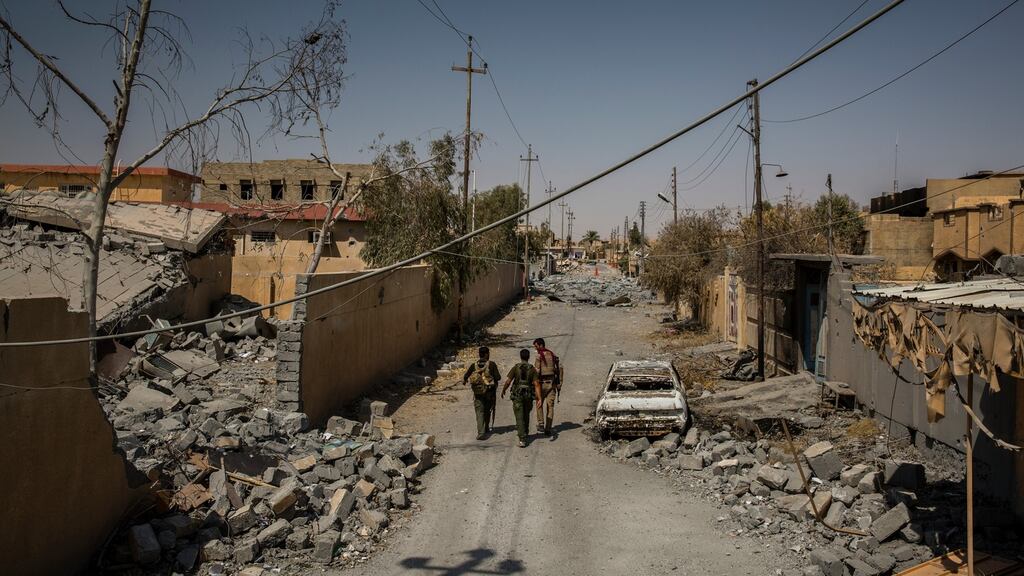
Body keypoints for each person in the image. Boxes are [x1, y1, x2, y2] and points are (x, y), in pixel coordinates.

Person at [500, 348, 541, 447]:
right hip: (528, 396)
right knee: (526, 414)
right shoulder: (532, 369)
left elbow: (508, 381)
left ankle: (522, 439)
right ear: (528, 357)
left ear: (520, 357)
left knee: (519, 416)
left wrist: (504, 390)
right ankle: (525, 432)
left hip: (517, 395)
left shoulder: (516, 368)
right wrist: (539, 398)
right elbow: (536, 384)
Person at [462, 346, 502, 440]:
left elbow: (466, 376)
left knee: (479, 412)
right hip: (489, 392)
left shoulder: (474, 365)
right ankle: (486, 427)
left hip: (478, 392)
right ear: (486, 354)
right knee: (487, 410)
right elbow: (498, 377)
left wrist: (465, 381)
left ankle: (481, 432)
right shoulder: (491, 364)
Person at [532, 338, 561, 436]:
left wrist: (534, 384)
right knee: (550, 406)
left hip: (541, 384)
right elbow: (560, 368)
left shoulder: (539, 356)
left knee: (539, 403)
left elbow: (537, 371)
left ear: (540, 345)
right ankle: (548, 428)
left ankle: (541, 424)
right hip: (552, 384)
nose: (536, 349)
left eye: (536, 346)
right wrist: (559, 384)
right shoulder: (552, 355)